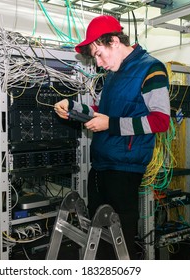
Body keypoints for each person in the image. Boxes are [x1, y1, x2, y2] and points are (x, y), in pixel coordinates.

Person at [54, 15, 170, 259]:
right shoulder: (114, 74)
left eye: (98, 54)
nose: (98, 62)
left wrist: (112, 124)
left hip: (124, 168)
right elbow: (100, 113)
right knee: (101, 246)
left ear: (114, 41)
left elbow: (161, 120)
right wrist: (72, 106)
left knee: (120, 245)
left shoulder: (151, 68)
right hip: (102, 164)